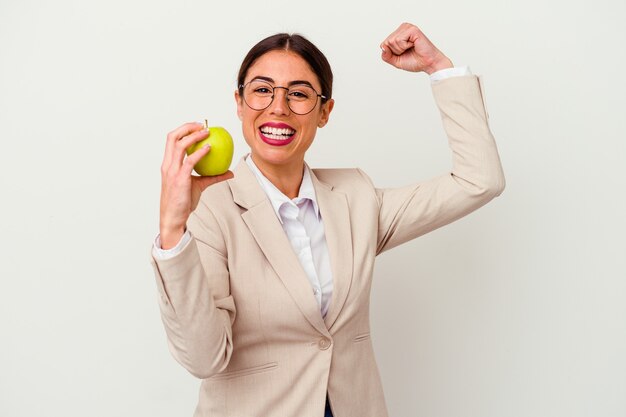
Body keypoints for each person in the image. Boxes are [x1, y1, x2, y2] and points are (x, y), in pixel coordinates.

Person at [151, 22, 505, 417]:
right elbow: (204, 359)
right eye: (262, 90)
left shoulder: (355, 199)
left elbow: (479, 180)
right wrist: (171, 231)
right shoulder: (211, 210)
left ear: (325, 112)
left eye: (299, 94)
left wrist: (439, 68)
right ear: (239, 102)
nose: (279, 107)